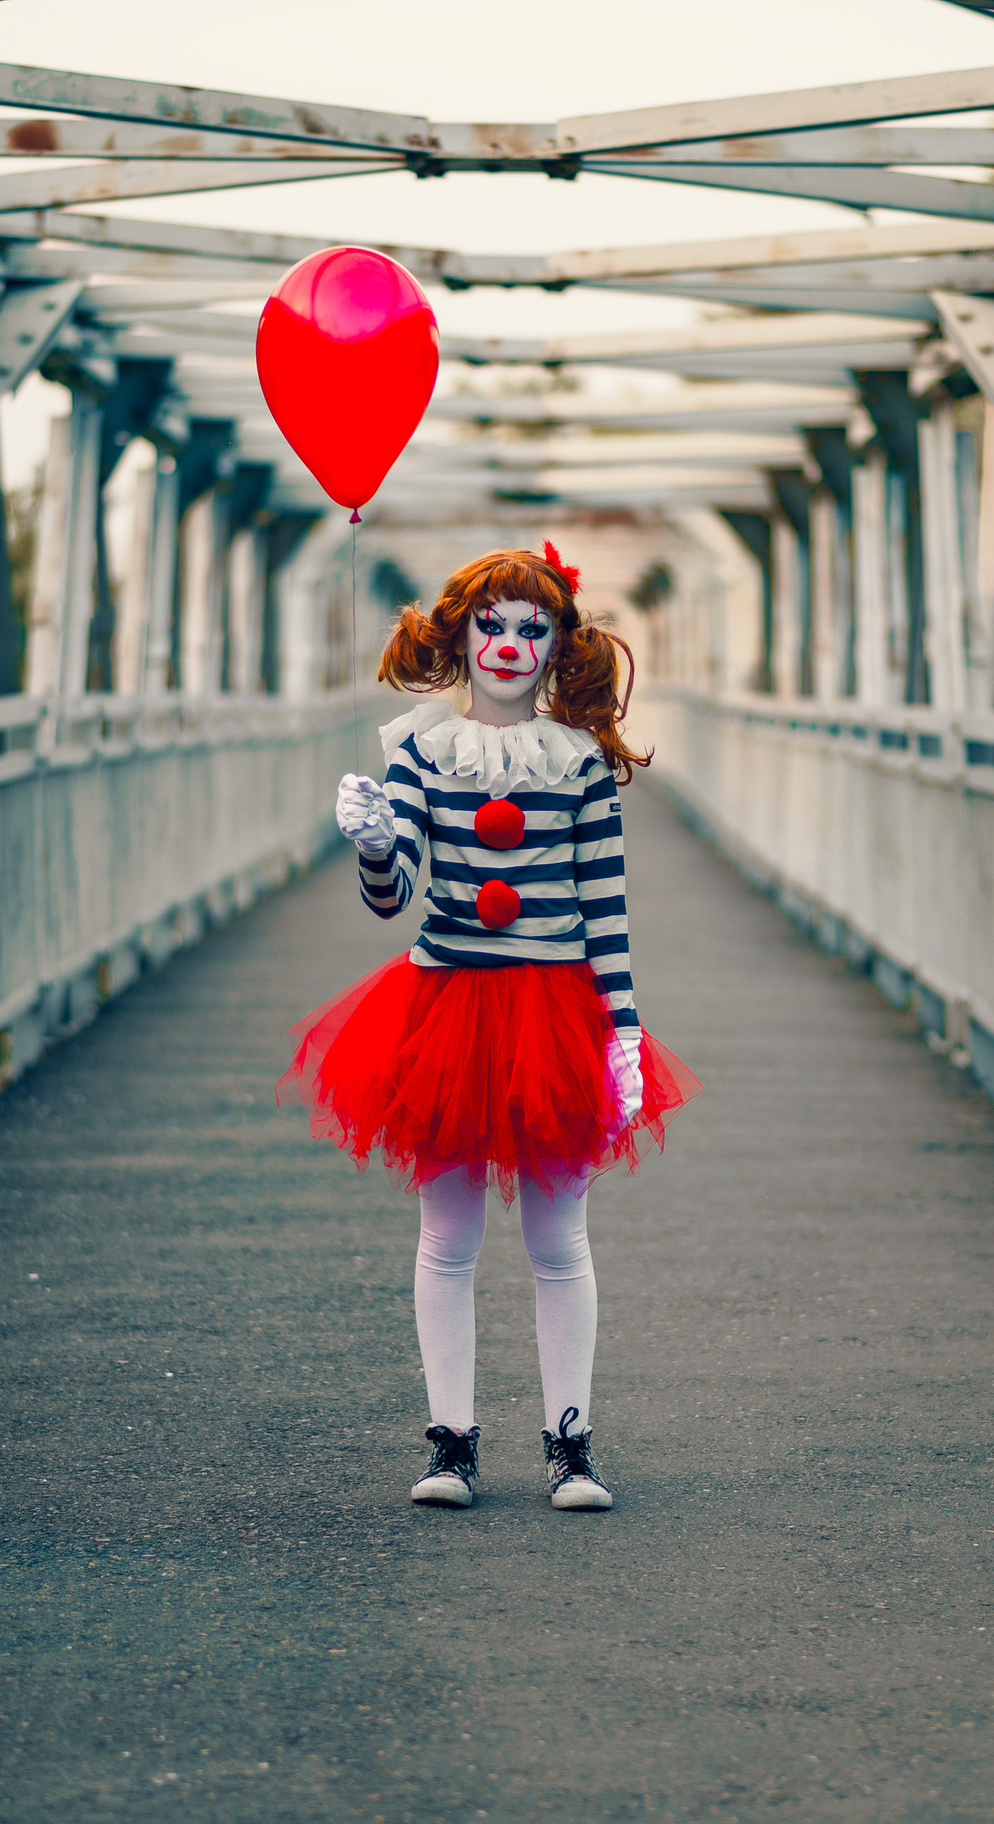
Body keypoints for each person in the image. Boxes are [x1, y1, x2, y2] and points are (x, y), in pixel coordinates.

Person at [280, 544, 698, 1512]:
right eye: (491, 624)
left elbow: (606, 911)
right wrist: (376, 842)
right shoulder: (421, 751)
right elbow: (394, 895)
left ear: (557, 647)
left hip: (555, 1011)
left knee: (559, 1236)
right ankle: (451, 1444)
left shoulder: (581, 762)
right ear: (461, 636)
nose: (509, 643)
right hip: (447, 1008)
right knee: (448, 1233)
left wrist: (622, 1032)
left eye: (531, 628)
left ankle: (571, 1446)